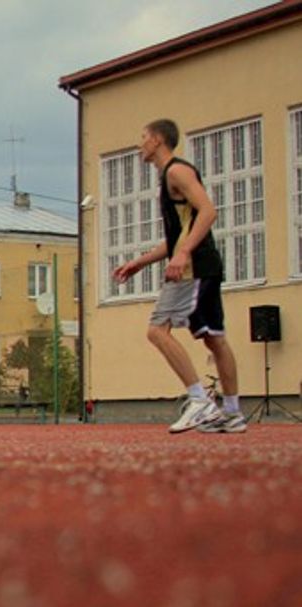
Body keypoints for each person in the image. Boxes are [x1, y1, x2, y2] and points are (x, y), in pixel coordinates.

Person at [113, 118, 244, 434]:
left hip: (194, 268)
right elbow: (177, 237)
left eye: (143, 136)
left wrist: (184, 253)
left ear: (157, 140)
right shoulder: (168, 177)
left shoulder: (176, 170)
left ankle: (199, 399)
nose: (139, 143)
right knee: (214, 339)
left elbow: (208, 211)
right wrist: (141, 262)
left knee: (157, 330)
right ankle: (232, 412)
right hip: (202, 264)